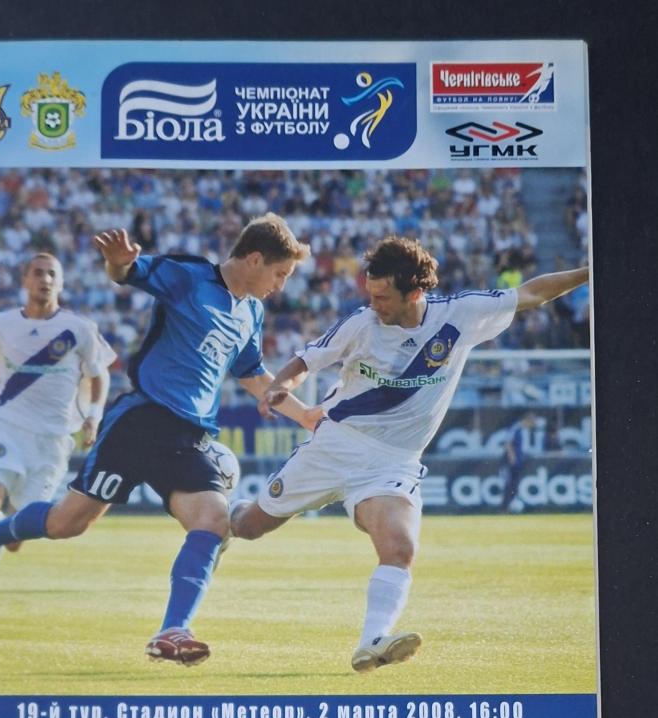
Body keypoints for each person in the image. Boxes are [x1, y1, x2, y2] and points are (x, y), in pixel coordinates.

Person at [0, 214, 320, 663]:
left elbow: (254, 376)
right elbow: (128, 272)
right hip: (141, 421)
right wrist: (119, 263)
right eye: (281, 273)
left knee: (213, 521)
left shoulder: (251, 312)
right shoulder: (190, 276)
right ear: (255, 259)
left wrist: (306, 417)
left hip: (190, 437)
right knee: (68, 523)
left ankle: (172, 631)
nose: (281, 285)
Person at [231, 235, 589, 672]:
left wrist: (591, 272)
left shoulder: (460, 315)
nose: (374, 304)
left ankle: (372, 641)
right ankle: (225, 514)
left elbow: (533, 293)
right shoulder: (361, 324)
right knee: (249, 527)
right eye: (371, 294)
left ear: (415, 293)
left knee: (400, 548)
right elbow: (307, 361)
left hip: (392, 463)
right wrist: (280, 386)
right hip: (336, 446)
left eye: (382, 297)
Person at [0, 253, 115, 620]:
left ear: (60, 283)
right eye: (38, 273)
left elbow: (99, 375)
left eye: (52, 274)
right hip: (7, 427)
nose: (45, 279)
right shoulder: (1, 324)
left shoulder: (79, 328)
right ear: (25, 279)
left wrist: (93, 417)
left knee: (17, 537)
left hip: (52, 442)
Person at [501, 410, 538, 512]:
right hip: (511, 462)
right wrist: (512, 457)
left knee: (514, 485)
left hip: (518, 462)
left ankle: (509, 507)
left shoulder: (524, 430)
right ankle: (504, 508)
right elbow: (507, 444)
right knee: (509, 484)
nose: (533, 425)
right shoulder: (515, 428)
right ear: (527, 420)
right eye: (532, 422)